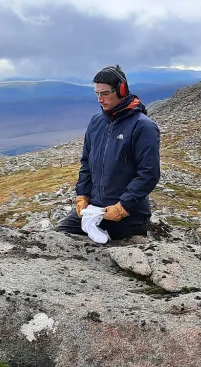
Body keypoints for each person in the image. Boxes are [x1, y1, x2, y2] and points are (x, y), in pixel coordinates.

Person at [56, 65, 161, 241]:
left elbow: (149, 174)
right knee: (54, 240)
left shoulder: (143, 126)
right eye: (97, 93)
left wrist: (123, 207)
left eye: (105, 93)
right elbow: (86, 164)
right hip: (94, 211)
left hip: (128, 216)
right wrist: (82, 195)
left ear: (121, 90)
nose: (99, 99)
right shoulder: (96, 122)